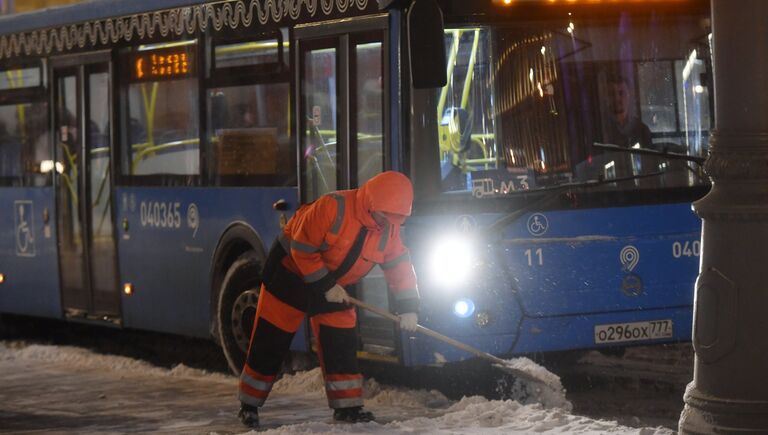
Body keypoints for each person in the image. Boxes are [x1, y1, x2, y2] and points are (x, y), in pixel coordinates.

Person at [237, 170, 420, 428]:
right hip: (290, 272)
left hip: (334, 283)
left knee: (340, 339)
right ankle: (249, 404)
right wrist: (325, 284)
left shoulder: (388, 229)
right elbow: (301, 248)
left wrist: (409, 307)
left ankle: (348, 408)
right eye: (385, 215)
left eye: (394, 218)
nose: (387, 223)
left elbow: (400, 266)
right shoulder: (332, 207)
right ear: (371, 204)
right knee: (271, 337)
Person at [603, 73, 653, 149]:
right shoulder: (601, 130)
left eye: (621, 93)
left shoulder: (642, 131)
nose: (617, 99)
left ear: (629, 95)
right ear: (606, 97)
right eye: (612, 94)